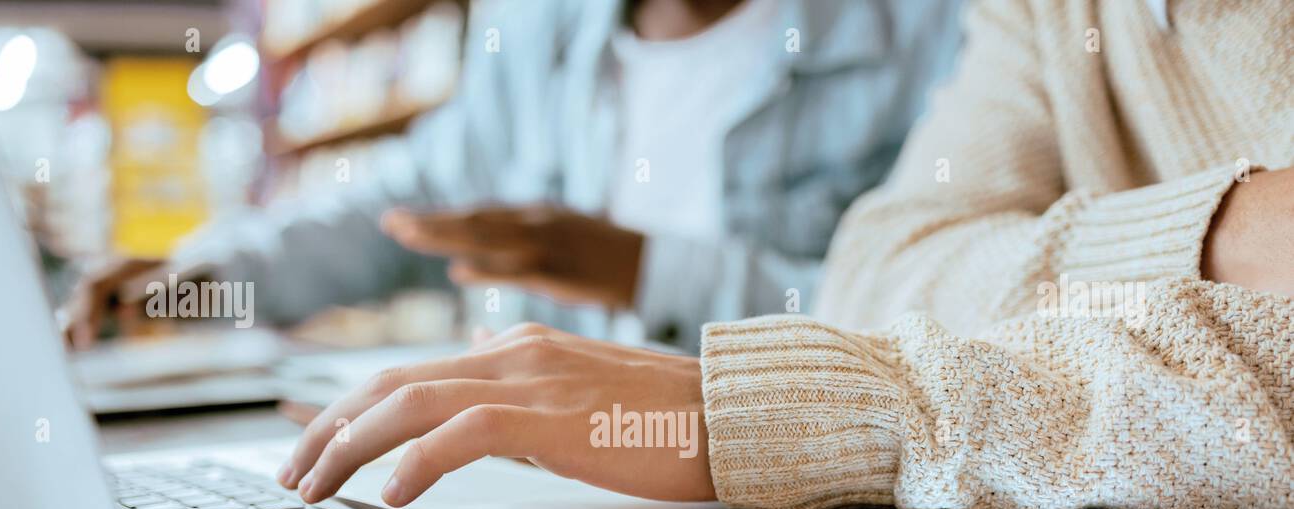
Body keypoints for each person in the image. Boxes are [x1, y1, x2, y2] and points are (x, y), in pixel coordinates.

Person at [275, 0, 1294, 509]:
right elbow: (880, 270)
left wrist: (767, 398)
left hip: (776, 459)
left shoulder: (903, 26)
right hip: (633, 476)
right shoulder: (543, 26)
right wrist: (1225, 236)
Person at [69, 0, 965, 350]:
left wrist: (640, 268)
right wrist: (212, 277)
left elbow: (946, 311)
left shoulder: (925, 36)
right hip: (573, 506)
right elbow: (407, 204)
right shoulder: (542, 31)